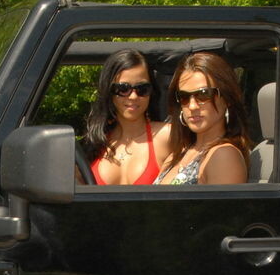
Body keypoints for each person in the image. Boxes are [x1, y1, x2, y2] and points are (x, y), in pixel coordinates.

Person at [155, 52, 250, 185]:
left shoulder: (223, 155)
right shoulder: (177, 155)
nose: (192, 106)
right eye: (184, 97)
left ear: (227, 99)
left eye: (204, 94)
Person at [83, 49, 171, 185]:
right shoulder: (93, 143)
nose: (133, 96)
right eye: (123, 89)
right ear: (109, 90)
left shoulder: (167, 135)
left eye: (142, 89)